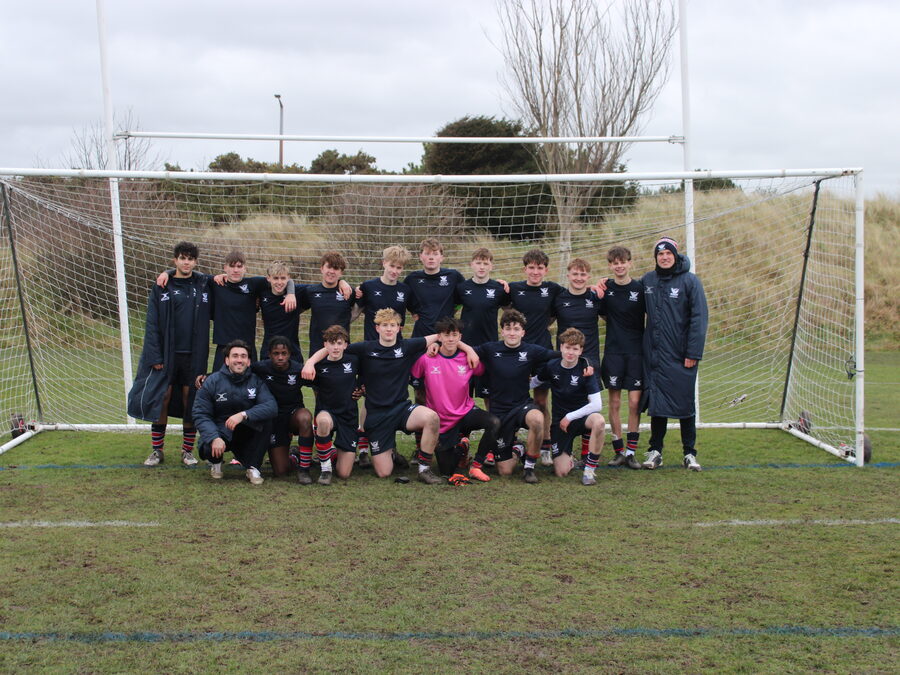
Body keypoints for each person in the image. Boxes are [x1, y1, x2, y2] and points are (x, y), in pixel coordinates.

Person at [302, 309, 478, 484]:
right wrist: (310, 362)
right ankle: (390, 452)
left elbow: (442, 337)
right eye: (384, 325)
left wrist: (468, 349)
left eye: (392, 325)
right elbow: (334, 346)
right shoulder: (365, 348)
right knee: (383, 472)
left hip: (402, 409)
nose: (388, 329)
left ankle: (424, 469)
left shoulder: (406, 346)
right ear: (377, 328)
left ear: (399, 328)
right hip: (377, 415)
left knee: (431, 417)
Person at [128, 241, 211, 467]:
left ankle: (187, 451)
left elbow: (223, 280)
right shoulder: (162, 286)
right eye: (182, 258)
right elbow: (152, 323)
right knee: (162, 397)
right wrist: (154, 356)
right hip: (167, 355)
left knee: (190, 400)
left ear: (195, 261)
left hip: (194, 355)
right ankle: (157, 450)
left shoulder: (203, 283)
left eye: (190, 258)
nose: (186, 262)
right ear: (175, 260)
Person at [639, 237, 708, 471]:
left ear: (675, 255)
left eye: (668, 253)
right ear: (656, 257)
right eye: (660, 254)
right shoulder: (648, 280)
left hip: (681, 355)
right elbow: (628, 303)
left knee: (685, 403)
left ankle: (689, 452)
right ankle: (655, 450)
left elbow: (699, 319)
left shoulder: (690, 281)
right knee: (658, 403)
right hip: (655, 355)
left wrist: (693, 352)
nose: (664, 257)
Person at [475, 309, 561, 484]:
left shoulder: (532, 350)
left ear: (523, 332)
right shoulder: (490, 349)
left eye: (516, 329)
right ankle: (518, 449)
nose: (512, 333)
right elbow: (467, 350)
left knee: (538, 419)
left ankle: (529, 467)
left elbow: (560, 355)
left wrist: (585, 362)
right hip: (499, 411)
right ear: (502, 331)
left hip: (522, 406)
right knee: (505, 471)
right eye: (508, 328)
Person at [410, 317, 500, 482]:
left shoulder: (467, 358)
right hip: (441, 421)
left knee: (494, 422)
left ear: (460, 337)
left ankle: (477, 466)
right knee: (447, 471)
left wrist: (469, 350)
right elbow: (415, 379)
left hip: (465, 412)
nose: (450, 338)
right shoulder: (426, 359)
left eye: (454, 334)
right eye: (446, 335)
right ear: (439, 336)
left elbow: (480, 371)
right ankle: (462, 445)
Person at [192, 340, 277, 485]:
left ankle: (253, 467)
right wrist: (214, 437)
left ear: (249, 361)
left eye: (243, 356)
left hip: (245, 429)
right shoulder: (212, 381)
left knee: (267, 420)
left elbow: (271, 406)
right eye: (235, 356)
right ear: (227, 360)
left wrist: (243, 414)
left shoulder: (256, 381)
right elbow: (200, 414)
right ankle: (216, 462)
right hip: (221, 431)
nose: (239, 360)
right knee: (207, 447)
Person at [508, 248, 563, 467]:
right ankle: (510, 443)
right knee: (513, 399)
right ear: (525, 269)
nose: (535, 271)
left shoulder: (553, 290)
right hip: (517, 352)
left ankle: (546, 446)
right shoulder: (513, 289)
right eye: (531, 267)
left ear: (546, 270)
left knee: (541, 401)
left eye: (540, 268)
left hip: (542, 353)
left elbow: (575, 295)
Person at [532, 328, 606, 485]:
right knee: (561, 472)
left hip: (581, 419)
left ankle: (589, 471)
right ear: (561, 347)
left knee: (599, 421)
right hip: (560, 423)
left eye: (575, 349)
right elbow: (535, 382)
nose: (570, 352)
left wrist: (570, 416)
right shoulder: (552, 366)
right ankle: (569, 459)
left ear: (581, 351)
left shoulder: (586, 370)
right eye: (567, 347)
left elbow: (597, 405)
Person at [553, 257, 604, 467]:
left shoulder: (596, 297)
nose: (579, 278)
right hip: (564, 358)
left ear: (588, 276)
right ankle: (558, 445)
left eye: (583, 274)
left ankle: (586, 452)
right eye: (575, 274)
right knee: (564, 397)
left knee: (589, 403)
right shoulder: (558, 298)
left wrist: (603, 283)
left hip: (590, 357)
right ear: (568, 275)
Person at [598, 246, 645, 470]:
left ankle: (631, 452)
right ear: (610, 265)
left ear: (630, 263)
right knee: (614, 403)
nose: (619, 266)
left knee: (634, 403)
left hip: (636, 353)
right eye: (614, 262)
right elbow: (603, 313)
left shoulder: (641, 288)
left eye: (623, 262)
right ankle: (618, 450)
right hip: (614, 352)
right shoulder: (605, 288)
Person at [249, 335, 314, 480]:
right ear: (269, 354)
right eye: (276, 353)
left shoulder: (298, 370)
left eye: (284, 353)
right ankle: (294, 457)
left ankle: (304, 468)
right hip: (273, 419)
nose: (280, 357)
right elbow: (237, 372)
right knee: (281, 472)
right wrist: (208, 376)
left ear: (289, 354)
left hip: (293, 415)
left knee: (305, 417)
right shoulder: (260, 368)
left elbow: (321, 382)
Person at [303, 326, 361, 482]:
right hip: (327, 412)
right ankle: (326, 468)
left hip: (348, 416)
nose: (335, 347)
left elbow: (367, 378)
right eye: (332, 343)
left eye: (339, 343)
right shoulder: (318, 365)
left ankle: (331, 452)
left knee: (344, 473)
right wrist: (309, 362)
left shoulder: (354, 360)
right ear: (325, 345)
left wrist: (361, 389)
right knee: (322, 421)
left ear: (345, 345)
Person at [455, 247, 510, 405]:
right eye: (478, 263)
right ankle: (462, 430)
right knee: (462, 394)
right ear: (472, 264)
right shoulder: (462, 288)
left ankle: (493, 428)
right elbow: (454, 308)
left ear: (491, 266)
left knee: (490, 395)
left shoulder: (499, 289)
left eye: (485, 263)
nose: (481, 267)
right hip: (465, 346)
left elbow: (509, 309)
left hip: (489, 347)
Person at [297, 251, 356, 356]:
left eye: (336, 268)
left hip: (341, 350)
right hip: (317, 348)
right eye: (328, 267)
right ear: (321, 269)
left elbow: (364, 305)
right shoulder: (311, 291)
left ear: (341, 272)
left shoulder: (349, 292)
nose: (332, 271)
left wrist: (342, 282)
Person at [356, 245, 412, 341]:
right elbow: (355, 313)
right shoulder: (368, 286)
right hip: (372, 345)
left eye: (399, 268)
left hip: (395, 347)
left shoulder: (405, 290)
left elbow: (410, 317)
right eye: (392, 266)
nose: (394, 271)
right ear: (384, 263)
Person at [259, 261, 302, 362]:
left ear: (288, 278)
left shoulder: (299, 292)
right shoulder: (261, 292)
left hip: (292, 352)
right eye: (275, 278)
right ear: (268, 278)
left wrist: (341, 282)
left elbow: (322, 287)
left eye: (283, 278)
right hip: (268, 352)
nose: (279, 282)